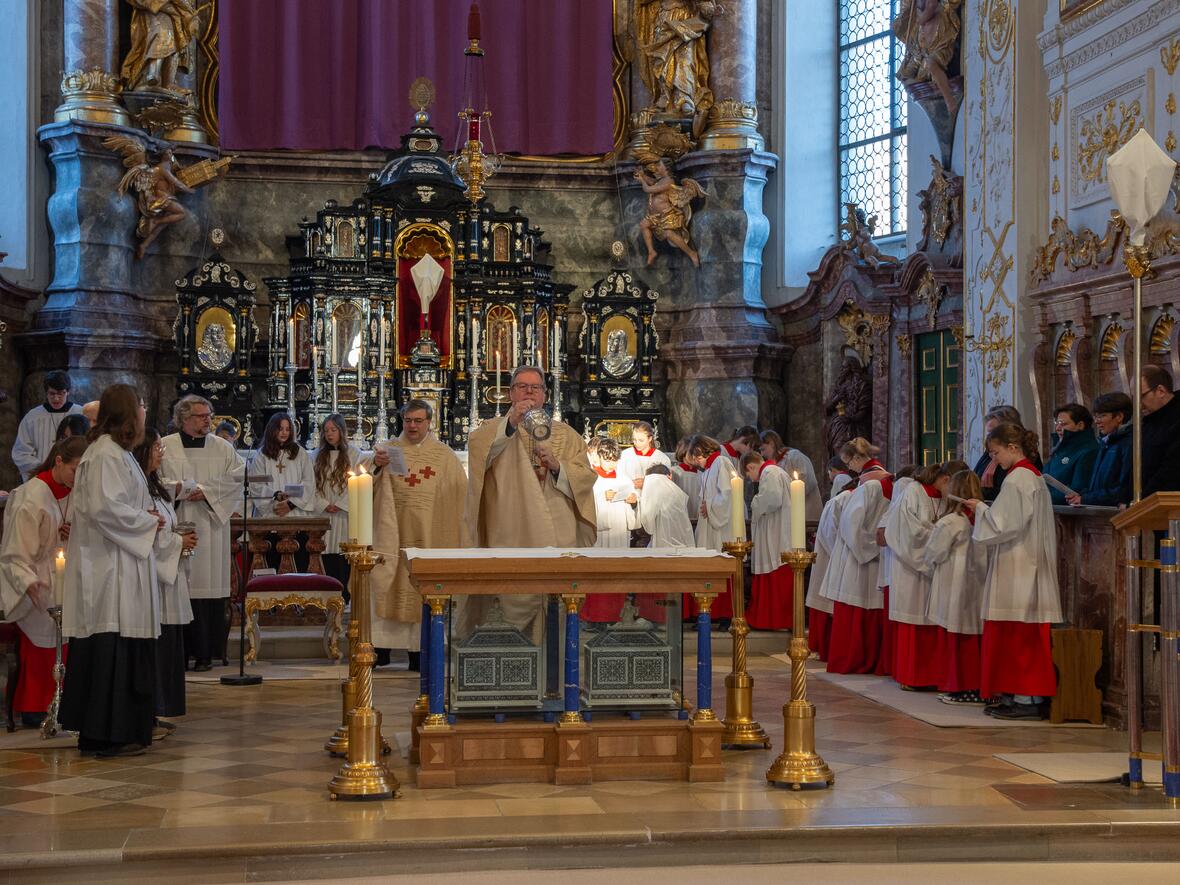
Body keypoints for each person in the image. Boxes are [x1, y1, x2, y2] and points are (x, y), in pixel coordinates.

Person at [59, 384, 162, 757]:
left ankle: (116, 729)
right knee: (111, 645)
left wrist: (144, 518)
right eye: (140, 406)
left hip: (120, 562)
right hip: (110, 568)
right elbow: (105, 509)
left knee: (119, 644)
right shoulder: (105, 454)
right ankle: (106, 732)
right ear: (127, 414)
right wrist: (147, 521)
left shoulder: (117, 453)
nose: (144, 413)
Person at [465, 367, 596, 634]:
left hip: (557, 529)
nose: (528, 392)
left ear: (544, 395)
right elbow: (481, 457)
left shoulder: (567, 435)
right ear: (511, 393)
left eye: (535, 388)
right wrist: (511, 423)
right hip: (512, 530)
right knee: (508, 604)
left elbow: (585, 477)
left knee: (555, 607)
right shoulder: (492, 431)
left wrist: (559, 467)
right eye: (522, 386)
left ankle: (553, 672)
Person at [967, 423, 1062, 720]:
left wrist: (980, 508)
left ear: (1013, 447)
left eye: (996, 453)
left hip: (1021, 566)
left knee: (1022, 636)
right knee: (1016, 634)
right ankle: (1016, 695)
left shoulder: (1019, 478)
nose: (995, 461)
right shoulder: (1028, 476)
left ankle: (1027, 699)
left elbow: (1003, 524)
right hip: (1021, 560)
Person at [370, 400, 467, 668]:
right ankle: (382, 648)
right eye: (408, 420)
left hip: (428, 535)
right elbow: (365, 482)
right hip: (393, 532)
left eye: (418, 421)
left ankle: (418, 653)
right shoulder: (387, 451)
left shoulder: (444, 455)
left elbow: (458, 494)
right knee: (387, 582)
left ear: (429, 422)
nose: (412, 426)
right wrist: (376, 467)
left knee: (419, 589)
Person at [0, 436, 87, 728]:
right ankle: (35, 705)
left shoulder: (76, 491)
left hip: (65, 573)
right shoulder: (30, 496)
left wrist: (73, 533)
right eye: (76, 470)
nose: (79, 478)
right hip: (34, 577)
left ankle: (64, 701)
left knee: (68, 633)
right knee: (44, 630)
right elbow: (14, 552)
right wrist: (29, 582)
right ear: (59, 461)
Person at [160, 395, 244, 673]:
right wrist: (181, 489)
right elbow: (155, 480)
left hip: (212, 527)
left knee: (209, 589)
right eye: (200, 416)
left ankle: (207, 653)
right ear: (183, 419)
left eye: (209, 415)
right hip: (178, 523)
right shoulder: (165, 446)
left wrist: (206, 492)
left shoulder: (222, 447)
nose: (208, 420)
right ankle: (181, 652)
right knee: (180, 586)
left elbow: (237, 477)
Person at [135, 429, 196, 731]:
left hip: (168, 579)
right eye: (157, 447)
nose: (162, 452)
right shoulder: (139, 488)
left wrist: (179, 540)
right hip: (155, 580)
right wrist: (178, 543)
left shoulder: (156, 485)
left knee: (169, 646)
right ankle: (149, 710)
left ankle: (159, 710)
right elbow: (149, 532)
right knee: (157, 647)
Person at [886, 462, 961, 689]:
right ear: (946, 479)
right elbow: (907, 531)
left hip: (935, 565)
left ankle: (934, 676)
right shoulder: (912, 491)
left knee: (933, 618)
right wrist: (940, 533)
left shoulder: (946, 497)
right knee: (915, 618)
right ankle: (914, 677)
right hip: (911, 567)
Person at [820, 439, 892, 674]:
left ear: (859, 458)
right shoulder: (885, 480)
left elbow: (851, 525)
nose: (850, 468)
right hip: (872, 553)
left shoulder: (870, 484)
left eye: (850, 462)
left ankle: (854, 659)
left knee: (859, 604)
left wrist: (869, 548)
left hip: (859, 556)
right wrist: (875, 548)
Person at [923, 469, 988, 705]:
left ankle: (961, 686)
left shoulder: (950, 522)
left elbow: (935, 553)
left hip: (954, 582)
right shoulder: (983, 518)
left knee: (956, 636)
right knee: (972, 635)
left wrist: (928, 562)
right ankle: (976, 685)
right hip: (978, 582)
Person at [685, 434, 743, 620]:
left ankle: (724, 615)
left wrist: (709, 506)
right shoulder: (708, 469)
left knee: (720, 566)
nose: (695, 461)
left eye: (695, 456)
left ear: (700, 451)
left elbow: (727, 494)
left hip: (720, 527)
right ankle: (708, 613)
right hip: (709, 524)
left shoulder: (721, 462)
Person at [311, 414, 366, 592]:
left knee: (343, 551)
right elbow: (310, 483)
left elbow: (360, 481)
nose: (329, 434)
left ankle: (345, 594)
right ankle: (326, 592)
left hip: (344, 514)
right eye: (326, 431)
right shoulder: (315, 456)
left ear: (342, 431)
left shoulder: (355, 455)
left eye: (333, 430)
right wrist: (322, 503)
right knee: (325, 551)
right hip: (323, 512)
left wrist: (341, 504)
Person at [584, 438, 637, 622]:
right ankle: (594, 616)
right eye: (607, 459)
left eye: (614, 460)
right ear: (599, 457)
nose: (610, 464)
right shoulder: (591, 476)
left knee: (617, 570)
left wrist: (633, 499)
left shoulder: (623, 477)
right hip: (601, 531)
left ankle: (614, 614)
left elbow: (634, 495)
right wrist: (600, 496)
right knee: (598, 571)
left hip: (620, 528)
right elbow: (584, 500)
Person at [742, 450, 794, 630]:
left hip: (776, 534)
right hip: (776, 531)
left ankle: (773, 620)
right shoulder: (774, 471)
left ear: (750, 466)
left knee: (775, 573)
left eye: (749, 475)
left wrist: (755, 502)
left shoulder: (770, 472)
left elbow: (771, 500)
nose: (751, 479)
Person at [874, 464, 916, 677]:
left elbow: (882, 537)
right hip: (905, 571)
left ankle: (894, 666)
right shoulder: (905, 499)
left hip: (894, 572)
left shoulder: (890, 510)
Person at [807, 481, 854, 661]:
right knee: (827, 605)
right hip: (832, 558)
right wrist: (843, 555)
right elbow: (830, 533)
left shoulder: (848, 498)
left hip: (838, 557)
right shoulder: (842, 500)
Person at [11, 371, 85, 482]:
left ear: (68, 392)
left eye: (61, 393)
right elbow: (21, 452)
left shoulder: (81, 413)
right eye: (52, 393)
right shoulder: (32, 417)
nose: (56, 398)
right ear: (46, 392)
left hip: (73, 478)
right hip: (42, 477)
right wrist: (44, 470)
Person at [1066, 392, 1133, 508]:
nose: (1096, 421)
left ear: (1119, 417)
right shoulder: (1106, 443)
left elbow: (1122, 490)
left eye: (1102, 416)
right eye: (1096, 416)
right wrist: (1080, 495)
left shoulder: (1128, 444)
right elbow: (1099, 485)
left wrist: (1085, 499)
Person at [248, 413, 315, 519]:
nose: (284, 433)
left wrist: (291, 504)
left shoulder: (299, 452)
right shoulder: (262, 454)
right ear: (272, 430)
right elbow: (256, 484)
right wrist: (275, 496)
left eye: (288, 429)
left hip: (295, 510)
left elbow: (309, 482)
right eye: (280, 429)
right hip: (270, 511)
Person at [760, 430, 822, 522]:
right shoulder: (774, 465)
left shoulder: (794, 456)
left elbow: (808, 482)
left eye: (763, 449)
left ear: (772, 443)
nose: (762, 454)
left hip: (806, 511)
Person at [1044, 403, 1098, 506]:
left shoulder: (1089, 451)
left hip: (1071, 514)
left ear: (1080, 425)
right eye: (1057, 423)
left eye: (1063, 424)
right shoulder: (1059, 449)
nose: (1058, 428)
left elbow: (1077, 488)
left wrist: (1042, 498)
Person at [972, 405, 1027, 502]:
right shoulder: (989, 453)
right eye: (989, 433)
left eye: (993, 433)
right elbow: (975, 475)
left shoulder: (1022, 454)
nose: (989, 438)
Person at [1140, 365, 1180, 497]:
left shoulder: (1175, 421)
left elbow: (1170, 471)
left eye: (1142, 396)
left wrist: (1142, 502)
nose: (1139, 405)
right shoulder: (1149, 422)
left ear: (1161, 391)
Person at [636, 464, 694, 548]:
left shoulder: (654, 494)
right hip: (682, 536)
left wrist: (650, 528)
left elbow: (647, 517)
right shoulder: (678, 492)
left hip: (662, 537)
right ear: (669, 476)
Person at [617, 421, 672, 490]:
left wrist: (647, 483)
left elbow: (666, 485)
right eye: (634, 440)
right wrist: (631, 484)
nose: (637, 443)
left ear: (650, 439)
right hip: (629, 495)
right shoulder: (625, 455)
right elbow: (618, 477)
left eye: (641, 440)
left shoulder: (662, 458)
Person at [670, 436, 702, 525]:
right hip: (679, 519)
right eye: (692, 452)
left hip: (697, 518)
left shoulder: (701, 475)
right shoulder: (674, 472)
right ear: (683, 452)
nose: (695, 456)